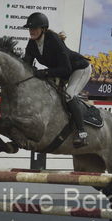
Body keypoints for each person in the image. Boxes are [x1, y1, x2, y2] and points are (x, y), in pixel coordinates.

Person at [22, 12, 92, 148]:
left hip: (79, 68)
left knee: (69, 95)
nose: (31, 31)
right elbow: (27, 66)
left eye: (35, 28)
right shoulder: (31, 44)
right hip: (62, 71)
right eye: (30, 29)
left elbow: (66, 68)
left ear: (43, 29)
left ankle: (82, 133)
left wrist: (45, 72)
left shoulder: (53, 39)